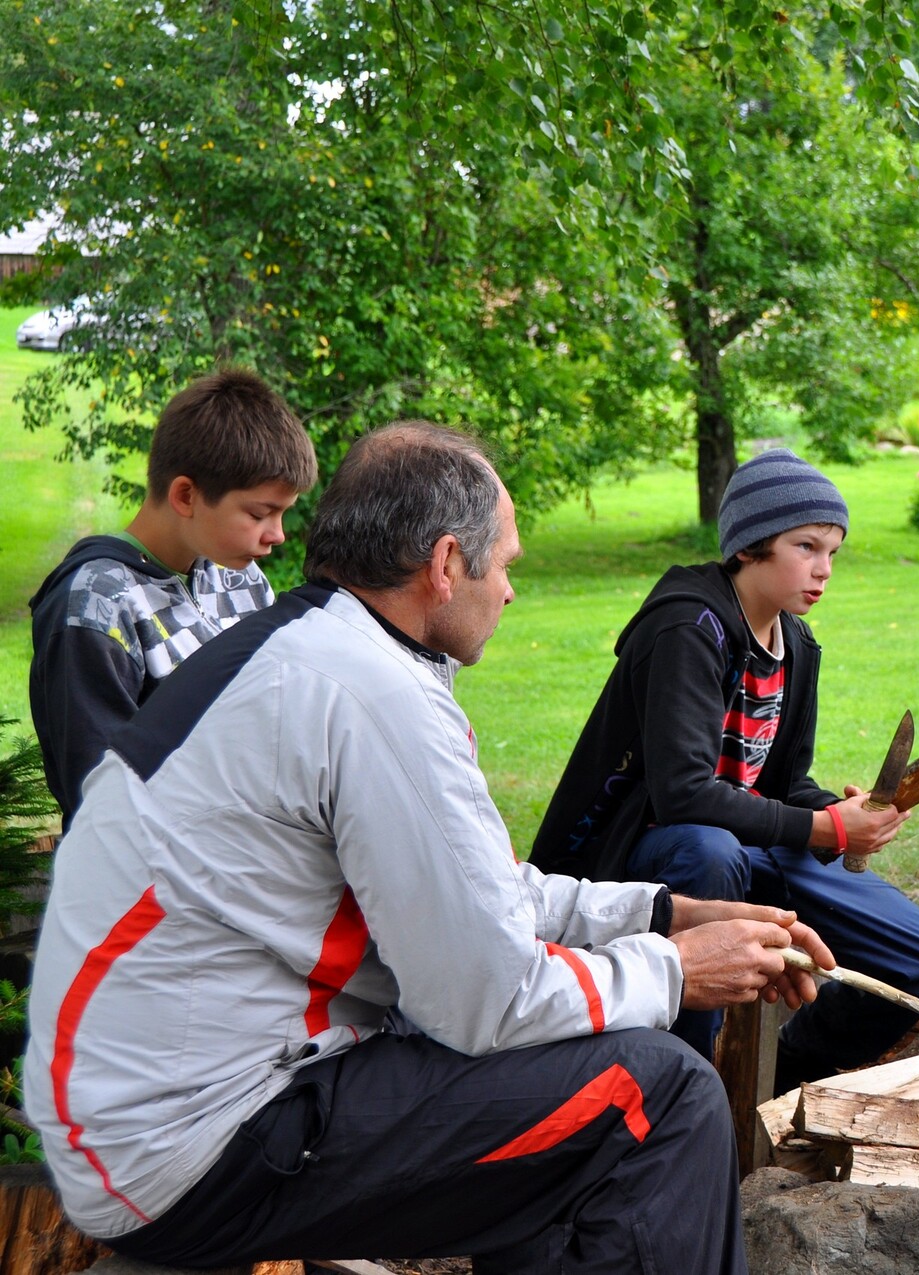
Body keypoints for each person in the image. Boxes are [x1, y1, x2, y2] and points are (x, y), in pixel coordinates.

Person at [25, 422, 828, 1274]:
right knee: (662, 1092)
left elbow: (476, 892)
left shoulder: (320, 649)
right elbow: (488, 1000)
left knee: (566, 1078)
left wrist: (663, 911)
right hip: (190, 1145)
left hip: (143, 1119)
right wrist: (674, 968)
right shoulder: (370, 693)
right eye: (505, 564)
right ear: (446, 563)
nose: (510, 591)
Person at [531, 448, 919, 1089]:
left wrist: (839, 814)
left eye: (833, 551)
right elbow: (682, 795)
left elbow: (782, 786)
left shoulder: (797, 645)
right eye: (806, 546)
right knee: (708, 850)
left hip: (747, 847)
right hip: (644, 855)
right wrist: (826, 829)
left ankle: (786, 1074)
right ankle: (683, 1087)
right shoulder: (688, 627)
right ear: (750, 545)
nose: (824, 568)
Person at [28, 367, 317, 826]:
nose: (277, 535)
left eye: (283, 513)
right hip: (146, 864)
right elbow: (96, 795)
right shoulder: (96, 606)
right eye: (260, 513)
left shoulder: (242, 581)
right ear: (185, 495)